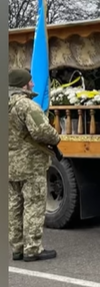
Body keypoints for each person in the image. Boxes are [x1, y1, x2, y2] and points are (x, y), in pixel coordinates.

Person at [8, 69, 62, 262]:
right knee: (33, 204)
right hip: (30, 164)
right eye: (30, 82)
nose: (32, 85)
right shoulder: (26, 105)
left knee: (14, 205)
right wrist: (56, 138)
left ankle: (17, 248)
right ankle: (33, 248)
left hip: (9, 165)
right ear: (23, 85)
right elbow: (42, 131)